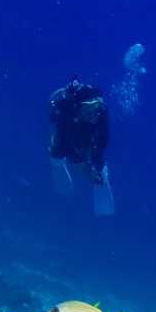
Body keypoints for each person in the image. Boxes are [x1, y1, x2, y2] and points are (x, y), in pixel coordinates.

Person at [48, 78, 114, 216]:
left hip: (85, 138)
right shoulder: (67, 112)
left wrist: (97, 167)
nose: (93, 114)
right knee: (57, 152)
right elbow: (56, 123)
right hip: (69, 135)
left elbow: (103, 141)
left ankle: (100, 174)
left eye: (96, 107)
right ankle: (59, 164)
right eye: (89, 108)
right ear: (79, 107)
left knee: (96, 163)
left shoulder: (100, 115)